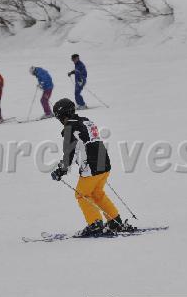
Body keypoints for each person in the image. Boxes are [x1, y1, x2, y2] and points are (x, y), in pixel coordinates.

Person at [50, 98, 134, 237]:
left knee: (81, 194)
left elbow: (70, 153)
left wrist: (61, 170)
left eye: (58, 117)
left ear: (62, 116)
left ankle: (95, 224)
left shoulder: (70, 128)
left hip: (92, 166)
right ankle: (115, 221)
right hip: (104, 163)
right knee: (97, 193)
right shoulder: (86, 121)